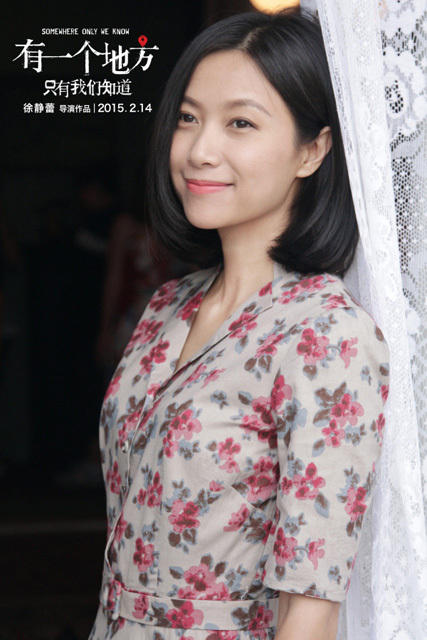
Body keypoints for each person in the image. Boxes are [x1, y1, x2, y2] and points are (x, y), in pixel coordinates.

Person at [89, 7, 390, 640]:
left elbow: (309, 609)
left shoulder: (324, 335)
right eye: (188, 118)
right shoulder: (167, 307)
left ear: (312, 150)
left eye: (240, 123)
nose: (200, 150)